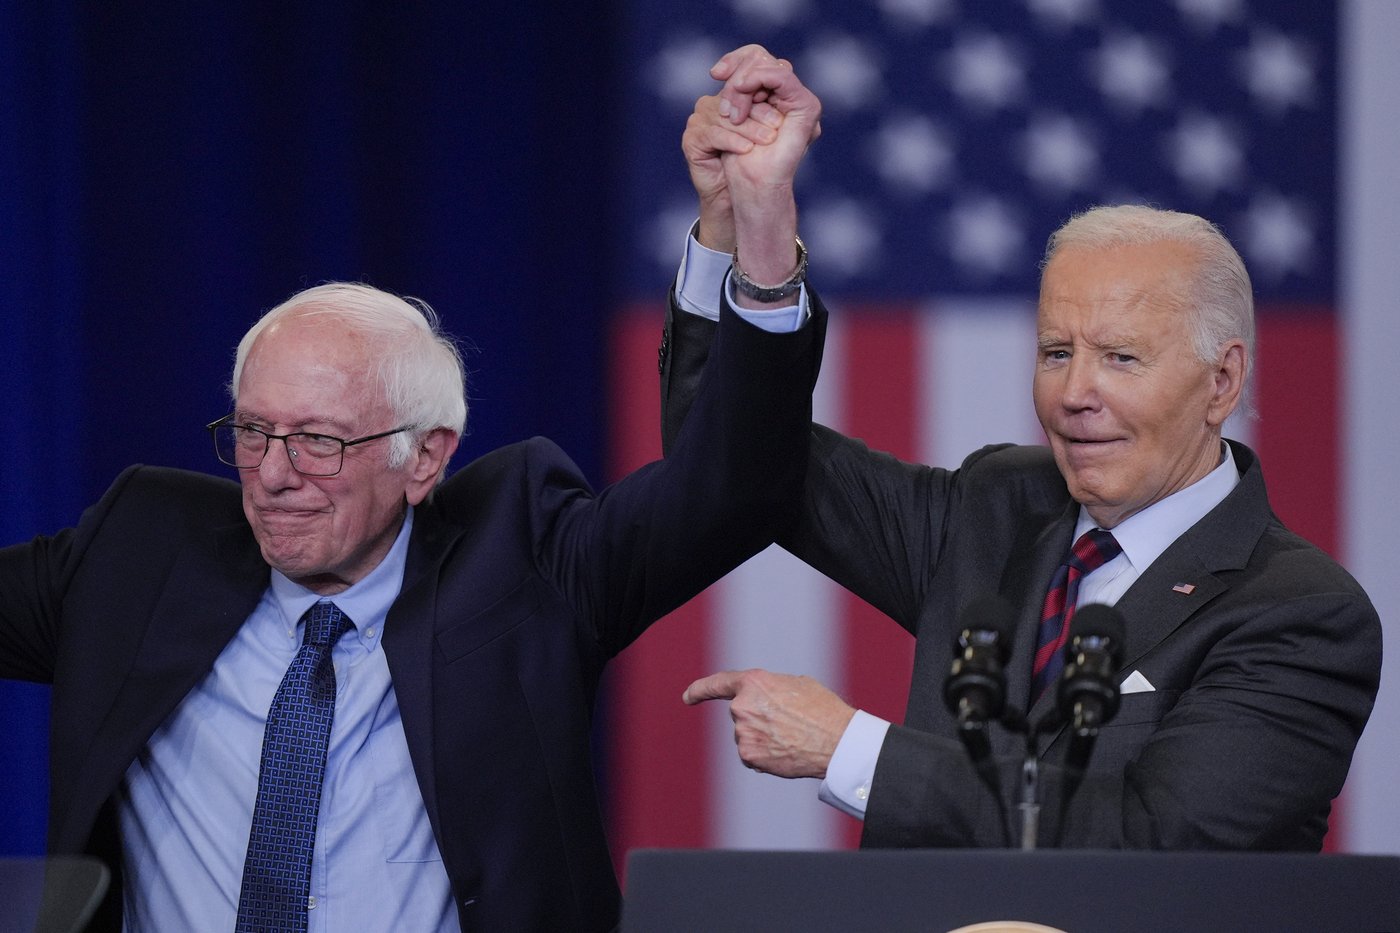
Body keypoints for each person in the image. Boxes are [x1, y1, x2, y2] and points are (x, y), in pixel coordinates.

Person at [0, 171, 824, 931]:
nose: (276, 475)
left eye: (320, 440)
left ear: (424, 457)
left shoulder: (527, 563)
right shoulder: (138, 555)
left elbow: (734, 489)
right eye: (253, 432)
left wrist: (756, 238)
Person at [662, 45, 1381, 851]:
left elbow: (1159, 838)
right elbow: (725, 458)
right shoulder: (997, 506)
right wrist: (746, 228)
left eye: (1121, 357)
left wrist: (850, 749)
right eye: (1054, 352)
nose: (1074, 393)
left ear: (1222, 382)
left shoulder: (1298, 612)